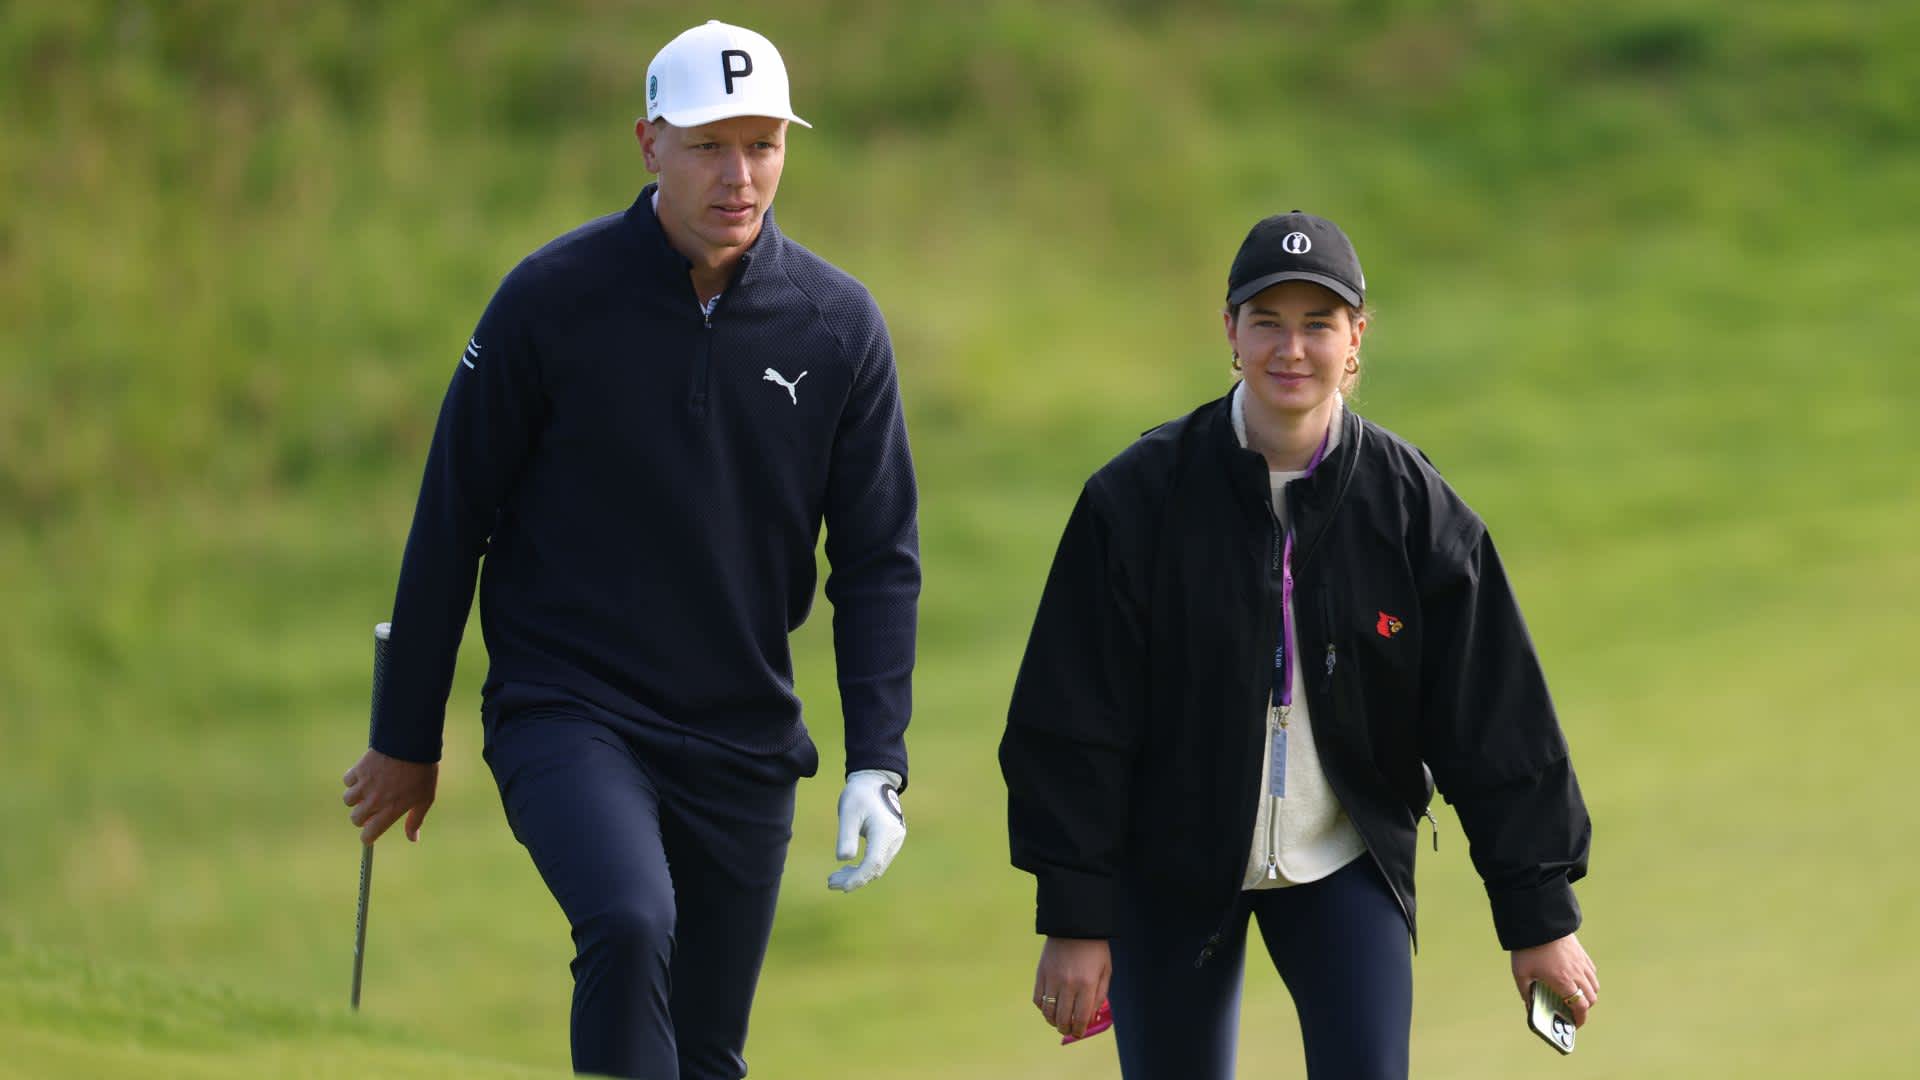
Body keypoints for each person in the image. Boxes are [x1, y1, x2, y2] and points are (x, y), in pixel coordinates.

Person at [338, 20, 919, 1080]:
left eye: (764, 145)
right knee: (628, 918)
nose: (740, 177)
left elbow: (879, 558)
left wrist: (879, 758)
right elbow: (450, 516)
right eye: (709, 146)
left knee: (703, 1055)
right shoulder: (549, 302)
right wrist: (404, 735)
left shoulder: (838, 328)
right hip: (571, 708)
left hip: (743, 741)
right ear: (649, 145)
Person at [999, 211, 1597, 1078]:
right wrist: (1077, 917)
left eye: (1318, 323)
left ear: (1356, 337)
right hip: (1168, 871)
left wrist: (1539, 913)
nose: (1292, 347)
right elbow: (1074, 718)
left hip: (1343, 861)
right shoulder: (1135, 501)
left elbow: (1490, 713)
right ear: (1230, 332)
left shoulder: (1412, 506)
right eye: (1266, 320)